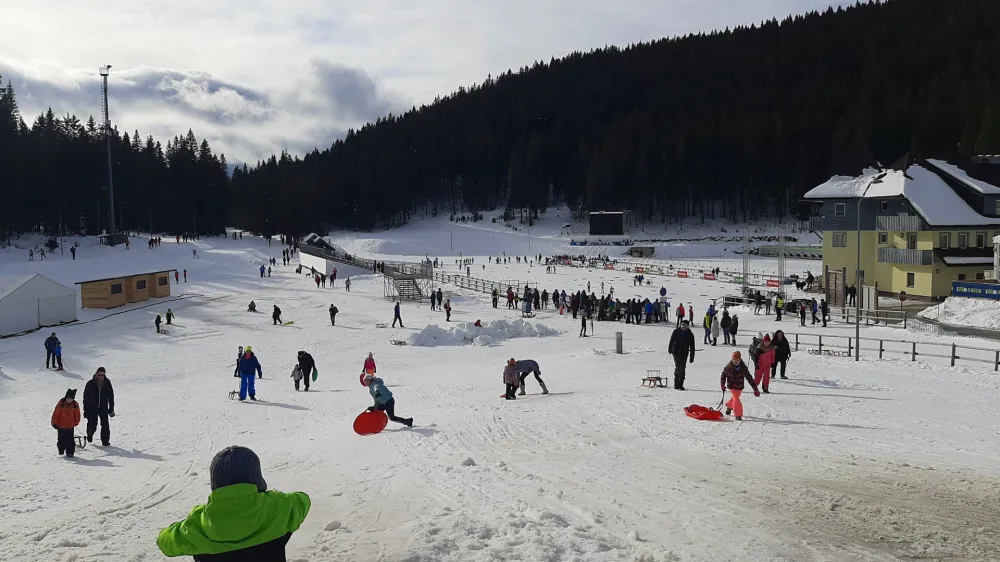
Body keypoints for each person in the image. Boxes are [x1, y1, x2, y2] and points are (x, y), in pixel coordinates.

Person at [156, 446, 311, 560]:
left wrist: (195, 515)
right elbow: (303, 500)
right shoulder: (279, 507)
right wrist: (272, 497)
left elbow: (164, 542)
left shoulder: (198, 525)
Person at [721, 351, 759, 421]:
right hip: (732, 386)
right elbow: (723, 376)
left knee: (735, 398)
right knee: (736, 399)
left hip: (739, 387)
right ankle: (738, 415)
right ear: (732, 360)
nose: (736, 362)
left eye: (737, 360)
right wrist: (722, 385)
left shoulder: (743, 368)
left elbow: (749, 378)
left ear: (740, 360)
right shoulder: (728, 367)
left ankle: (729, 406)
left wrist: (755, 389)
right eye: (734, 360)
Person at [83, 367, 115, 446]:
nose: (101, 377)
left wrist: (111, 408)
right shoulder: (90, 383)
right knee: (92, 425)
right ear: (96, 374)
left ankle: (105, 441)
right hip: (92, 407)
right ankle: (89, 434)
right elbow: (86, 397)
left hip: (103, 407)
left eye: (103, 375)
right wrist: (86, 409)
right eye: (99, 375)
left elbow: (111, 396)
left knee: (105, 425)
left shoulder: (107, 383)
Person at [51, 388, 81, 458]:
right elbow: (56, 414)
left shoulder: (75, 405)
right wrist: (54, 422)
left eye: (71, 398)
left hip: (70, 426)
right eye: (68, 398)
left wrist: (76, 422)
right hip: (61, 425)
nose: (69, 400)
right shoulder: (61, 404)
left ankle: (70, 452)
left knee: (70, 440)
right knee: (61, 439)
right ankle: (61, 449)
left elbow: (77, 414)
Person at [668, 320, 696, 390]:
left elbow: (692, 346)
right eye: (682, 324)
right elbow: (671, 340)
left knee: (682, 368)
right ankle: (676, 383)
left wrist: (692, 357)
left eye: (685, 325)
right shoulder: (676, 331)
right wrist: (670, 349)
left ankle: (681, 384)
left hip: (684, 353)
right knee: (678, 367)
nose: (684, 326)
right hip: (676, 353)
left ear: (687, 326)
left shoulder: (690, 334)